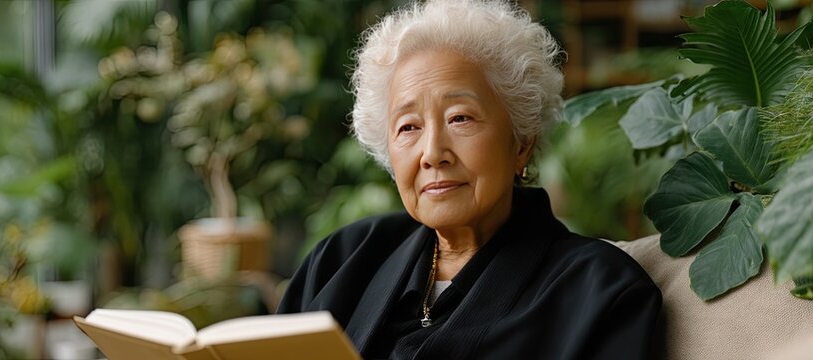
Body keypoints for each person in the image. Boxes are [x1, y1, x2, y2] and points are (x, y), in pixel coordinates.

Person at [277, 0, 662, 359]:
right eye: (408, 126)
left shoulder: (601, 292)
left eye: (460, 118)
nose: (432, 153)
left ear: (521, 143)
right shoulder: (341, 260)